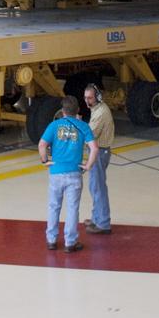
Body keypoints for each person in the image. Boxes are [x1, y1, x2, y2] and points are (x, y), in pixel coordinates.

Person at [38, 95, 98, 253]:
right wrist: (88, 165)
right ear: (77, 110)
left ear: (62, 111)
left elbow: (42, 145)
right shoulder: (83, 126)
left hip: (56, 172)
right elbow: (94, 148)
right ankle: (70, 242)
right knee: (72, 208)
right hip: (74, 173)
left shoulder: (54, 125)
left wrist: (45, 161)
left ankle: (51, 240)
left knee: (53, 206)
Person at [83, 84, 114, 234]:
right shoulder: (97, 109)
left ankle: (103, 223)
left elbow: (90, 135)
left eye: (90, 98)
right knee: (95, 186)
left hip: (100, 153)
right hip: (99, 151)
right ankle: (96, 218)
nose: (87, 101)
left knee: (98, 187)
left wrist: (77, 125)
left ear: (98, 97)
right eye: (85, 98)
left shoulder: (101, 113)